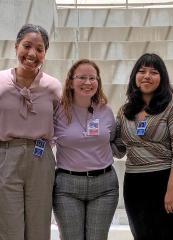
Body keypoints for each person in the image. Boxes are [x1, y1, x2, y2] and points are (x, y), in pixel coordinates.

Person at [113, 53, 173, 240]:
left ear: (161, 79)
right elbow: (120, 148)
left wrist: (171, 189)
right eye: (142, 71)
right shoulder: (125, 110)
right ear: (134, 77)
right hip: (134, 183)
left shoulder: (172, 108)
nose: (147, 76)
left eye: (153, 72)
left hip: (165, 180)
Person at [0, 24, 62, 240]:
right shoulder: (0, 82)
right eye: (27, 46)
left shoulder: (53, 87)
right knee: (8, 226)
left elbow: (63, 122)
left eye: (39, 49)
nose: (32, 54)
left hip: (41, 157)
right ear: (16, 46)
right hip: (6, 156)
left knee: (39, 225)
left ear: (45, 53)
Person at [53, 59, 119, 240]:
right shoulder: (58, 111)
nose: (88, 82)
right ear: (71, 82)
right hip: (67, 186)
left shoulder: (105, 110)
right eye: (82, 77)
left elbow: (112, 140)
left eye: (92, 78)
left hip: (104, 185)